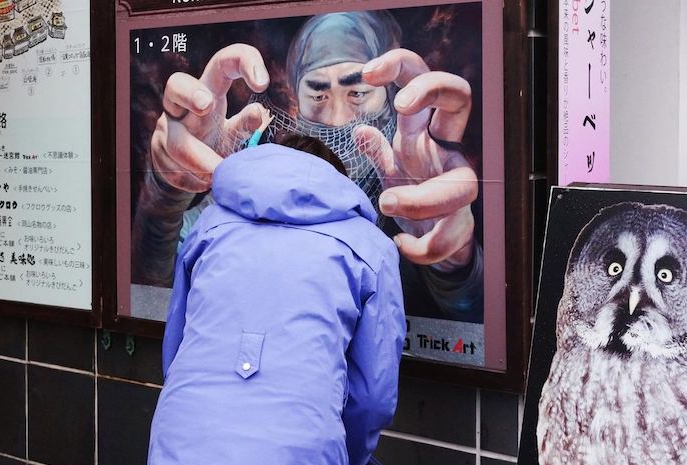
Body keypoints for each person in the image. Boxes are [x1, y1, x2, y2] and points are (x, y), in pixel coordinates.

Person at [133, 9, 484, 323]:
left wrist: (454, 268)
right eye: (317, 95)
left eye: (358, 93)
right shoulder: (260, 197)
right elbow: (158, 292)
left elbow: (473, 326)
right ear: (296, 103)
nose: (337, 118)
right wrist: (166, 192)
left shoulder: (425, 193)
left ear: (390, 98)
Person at [145, 134, 406, 465]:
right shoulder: (370, 247)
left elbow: (176, 350)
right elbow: (372, 397)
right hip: (299, 456)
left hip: (182, 438)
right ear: (336, 181)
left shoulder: (210, 226)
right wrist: (337, 459)